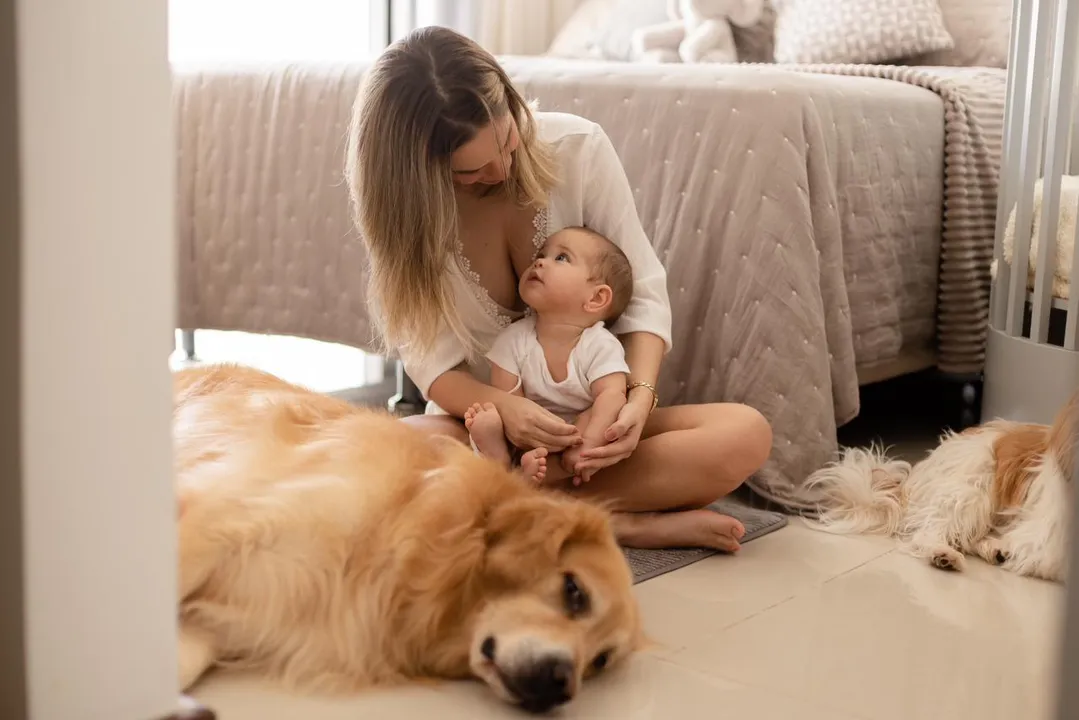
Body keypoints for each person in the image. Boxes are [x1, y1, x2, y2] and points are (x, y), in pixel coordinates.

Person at [345, 25, 772, 552]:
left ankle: (517, 511)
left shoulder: (578, 148)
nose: (502, 168)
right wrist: (508, 411)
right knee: (387, 453)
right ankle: (618, 523)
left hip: (591, 435)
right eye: (472, 170)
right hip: (487, 439)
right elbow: (434, 367)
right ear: (420, 173)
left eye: (507, 140)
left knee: (745, 433)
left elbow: (641, 292)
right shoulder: (408, 226)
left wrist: (636, 401)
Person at [463, 226, 635, 486]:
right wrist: (518, 435)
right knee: (492, 415)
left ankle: (530, 473)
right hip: (526, 434)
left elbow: (611, 396)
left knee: (601, 411)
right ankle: (501, 456)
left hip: (575, 434)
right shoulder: (514, 339)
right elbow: (508, 398)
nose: (540, 261)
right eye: (541, 254)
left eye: (562, 258)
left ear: (596, 297)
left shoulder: (600, 345)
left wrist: (589, 443)